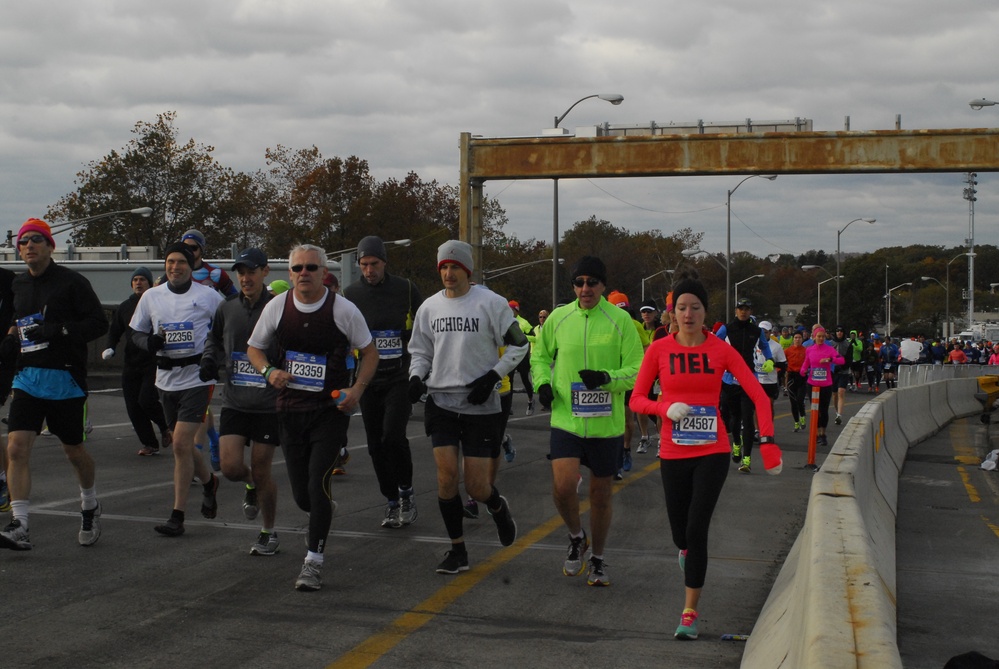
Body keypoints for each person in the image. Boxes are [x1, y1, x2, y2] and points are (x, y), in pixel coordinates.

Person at [629, 271, 781, 641]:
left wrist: (769, 442)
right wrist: (665, 408)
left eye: (695, 307)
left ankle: (690, 612)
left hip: (712, 450)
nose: (688, 314)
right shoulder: (659, 350)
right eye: (681, 307)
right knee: (680, 533)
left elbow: (759, 396)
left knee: (697, 530)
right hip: (672, 451)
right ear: (672, 313)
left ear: (704, 311)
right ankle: (687, 552)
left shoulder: (721, 350)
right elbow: (636, 399)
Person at [247, 244, 377, 591]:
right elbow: (254, 348)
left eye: (311, 267)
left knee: (318, 484)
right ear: (289, 274)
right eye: (298, 268)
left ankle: (312, 563)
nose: (304, 273)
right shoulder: (278, 306)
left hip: (328, 412)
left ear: (323, 272)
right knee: (304, 496)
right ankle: (320, 512)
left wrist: (357, 391)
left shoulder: (343, 309)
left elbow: (369, 352)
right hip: (290, 411)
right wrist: (268, 371)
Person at [407, 240, 526, 575]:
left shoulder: (491, 303)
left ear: (467, 270)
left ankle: (497, 506)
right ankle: (457, 551)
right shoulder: (429, 308)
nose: (448, 273)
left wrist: (493, 376)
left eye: (454, 267)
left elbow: (520, 345)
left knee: (476, 486)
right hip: (441, 402)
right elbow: (420, 351)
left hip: (480, 404)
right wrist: (416, 377)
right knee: (446, 479)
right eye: (443, 267)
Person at [531, 256, 644, 586]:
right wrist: (542, 384)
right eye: (578, 283)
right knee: (563, 486)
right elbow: (539, 355)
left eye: (591, 282)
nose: (585, 289)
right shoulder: (559, 317)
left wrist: (605, 378)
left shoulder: (620, 321)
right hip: (566, 419)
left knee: (600, 496)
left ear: (603, 286)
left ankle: (598, 558)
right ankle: (576, 537)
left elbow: (637, 372)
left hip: (605, 425)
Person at [0, 218, 109, 551]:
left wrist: (59, 330)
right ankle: (21, 525)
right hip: (29, 376)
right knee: (16, 447)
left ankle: (89, 503)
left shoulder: (72, 282)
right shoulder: (18, 285)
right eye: (23, 242)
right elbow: (17, 323)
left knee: (73, 450)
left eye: (36, 240)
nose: (29, 245)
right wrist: (10, 340)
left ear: (50, 246)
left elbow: (98, 323)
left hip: (65, 378)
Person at [130, 242, 225, 537]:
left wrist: (214, 359)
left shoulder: (209, 296)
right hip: (165, 378)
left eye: (181, 262)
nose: (175, 267)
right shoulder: (151, 296)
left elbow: (224, 330)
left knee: (182, 444)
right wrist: (149, 344)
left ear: (191, 265)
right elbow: (136, 332)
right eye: (170, 262)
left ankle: (177, 515)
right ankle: (209, 482)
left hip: (198, 377)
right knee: (180, 444)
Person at [201, 247, 282, 556]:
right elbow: (214, 340)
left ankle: (269, 531)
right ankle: (252, 484)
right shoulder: (227, 307)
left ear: (265, 272)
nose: (245, 278)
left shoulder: (278, 308)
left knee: (262, 469)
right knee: (232, 468)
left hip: (267, 403)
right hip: (235, 400)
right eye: (241, 272)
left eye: (251, 271)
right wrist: (210, 360)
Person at [343, 235, 423, 529]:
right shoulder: (351, 294)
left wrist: (407, 341)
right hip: (368, 379)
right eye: (363, 265)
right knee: (376, 444)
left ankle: (406, 492)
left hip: (399, 376)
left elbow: (425, 322)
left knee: (393, 436)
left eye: (373, 264)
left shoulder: (405, 288)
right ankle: (390, 500)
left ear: (384, 262)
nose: (368, 270)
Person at [103, 267, 172, 456]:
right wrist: (110, 347)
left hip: (152, 360)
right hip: (131, 362)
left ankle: (165, 427)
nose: (138, 283)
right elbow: (115, 330)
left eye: (142, 279)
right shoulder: (125, 306)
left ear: (150, 284)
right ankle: (150, 443)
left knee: (146, 399)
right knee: (133, 406)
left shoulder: (157, 303)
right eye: (135, 280)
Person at [180, 229, 234, 472]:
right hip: (180, 346)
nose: (189, 252)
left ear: (202, 250)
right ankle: (214, 440)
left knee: (200, 402)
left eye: (193, 248)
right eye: (185, 247)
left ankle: (196, 457)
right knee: (194, 403)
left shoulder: (214, 274)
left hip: (207, 346)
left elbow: (235, 301)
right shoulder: (176, 272)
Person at [715, 298, 773, 470]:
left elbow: (765, 346)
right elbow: (714, 343)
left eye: (747, 309)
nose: (743, 311)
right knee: (733, 418)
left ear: (750, 311)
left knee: (748, 420)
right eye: (741, 308)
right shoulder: (727, 328)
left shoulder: (756, 330)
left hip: (749, 379)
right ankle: (737, 443)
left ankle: (746, 459)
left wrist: (769, 360)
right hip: (729, 379)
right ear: (736, 311)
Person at [800, 325, 845, 446]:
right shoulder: (809, 349)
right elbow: (806, 363)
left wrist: (830, 359)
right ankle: (816, 433)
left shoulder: (829, 349)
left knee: (823, 410)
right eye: (818, 336)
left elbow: (841, 360)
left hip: (826, 384)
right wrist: (803, 370)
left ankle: (823, 434)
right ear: (814, 337)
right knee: (815, 410)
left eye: (823, 337)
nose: (821, 339)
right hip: (812, 384)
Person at [507, 300, 536, 415]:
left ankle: (530, 400)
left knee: (524, 379)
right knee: (509, 380)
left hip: (522, 355)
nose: (509, 311)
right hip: (510, 355)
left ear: (516, 310)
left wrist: (522, 337)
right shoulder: (506, 321)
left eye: (511, 309)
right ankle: (508, 406)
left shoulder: (524, 323)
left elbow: (534, 338)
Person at [784, 331, 808, 431]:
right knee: (793, 401)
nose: (797, 339)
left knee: (800, 399)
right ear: (793, 339)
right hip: (791, 378)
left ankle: (802, 416)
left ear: (802, 339)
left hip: (802, 377)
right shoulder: (787, 351)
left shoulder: (806, 350)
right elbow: (782, 362)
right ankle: (796, 422)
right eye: (795, 337)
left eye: (799, 337)